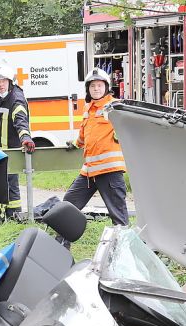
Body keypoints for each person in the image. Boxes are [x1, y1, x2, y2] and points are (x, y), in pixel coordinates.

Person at [63, 68, 128, 225]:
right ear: (88, 89)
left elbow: (131, 126)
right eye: (92, 86)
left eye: (99, 85)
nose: (96, 89)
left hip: (109, 171)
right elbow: (84, 135)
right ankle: (61, 244)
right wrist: (74, 144)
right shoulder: (87, 109)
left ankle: (124, 249)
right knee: (68, 205)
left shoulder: (115, 106)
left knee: (118, 217)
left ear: (106, 87)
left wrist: (123, 133)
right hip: (89, 171)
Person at [0, 65, 35, 227]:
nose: (1, 84)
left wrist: (25, 138)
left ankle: (13, 220)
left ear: (10, 81)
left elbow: (21, 121)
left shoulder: (16, 99)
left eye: (4, 81)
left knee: (11, 188)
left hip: (10, 152)